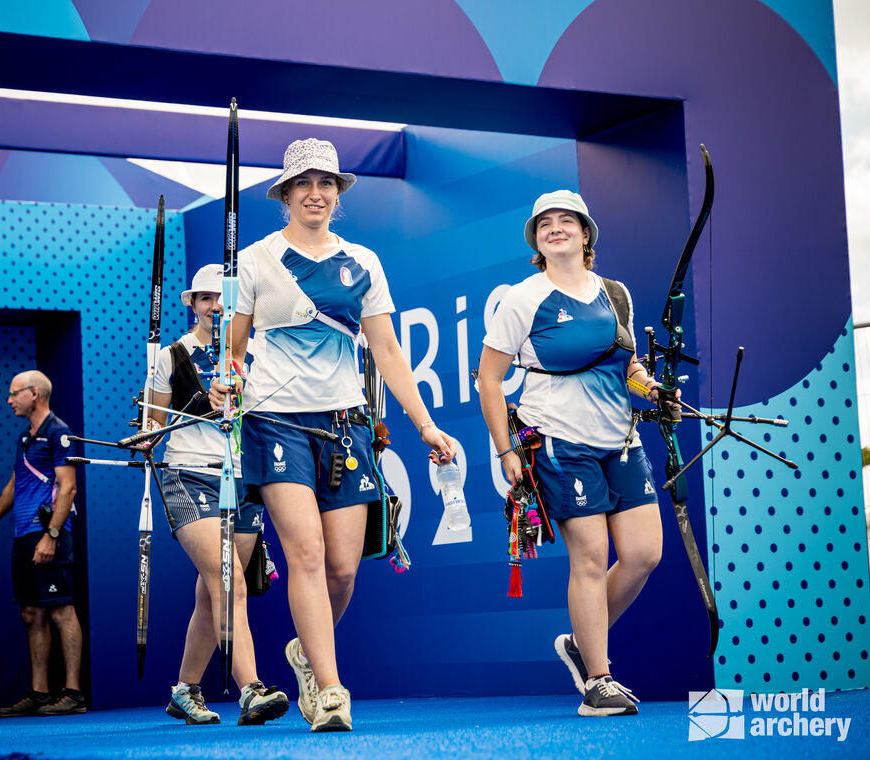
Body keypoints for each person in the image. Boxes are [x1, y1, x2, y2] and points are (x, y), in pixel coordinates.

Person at [211, 138, 455, 732]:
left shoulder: (364, 262)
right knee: (308, 555)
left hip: (345, 424)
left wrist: (425, 425)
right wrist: (225, 379)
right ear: (287, 194)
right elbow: (234, 347)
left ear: (336, 194)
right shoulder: (256, 260)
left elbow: (390, 351)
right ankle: (330, 690)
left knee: (344, 566)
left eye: (326, 184)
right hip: (274, 422)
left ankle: (304, 654)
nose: (316, 193)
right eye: (304, 184)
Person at [477, 190, 665, 717]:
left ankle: (582, 644)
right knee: (589, 556)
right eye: (545, 223)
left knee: (645, 553)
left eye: (567, 221)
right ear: (536, 240)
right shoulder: (524, 297)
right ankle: (598, 682)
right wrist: (505, 449)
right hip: (558, 441)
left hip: (620, 439)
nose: (555, 228)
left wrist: (654, 391)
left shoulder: (615, 293)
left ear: (586, 234)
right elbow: (489, 380)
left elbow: (626, 365)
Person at [146, 264, 289, 726]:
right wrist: (158, 427)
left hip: (242, 479)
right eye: (206, 298)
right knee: (230, 582)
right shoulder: (171, 356)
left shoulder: (254, 353)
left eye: (223, 298)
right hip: (189, 473)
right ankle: (251, 690)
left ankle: (184, 690)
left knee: (214, 593)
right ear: (192, 304)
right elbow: (154, 425)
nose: (216, 306)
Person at [0, 370, 86, 717]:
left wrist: (50, 535)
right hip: (23, 537)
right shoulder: (25, 438)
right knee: (31, 613)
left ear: (34, 394)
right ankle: (39, 693)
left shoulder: (59, 433)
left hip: (48, 534)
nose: (9, 400)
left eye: (14, 394)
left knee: (61, 610)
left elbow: (68, 488)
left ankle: (73, 694)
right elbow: (13, 486)